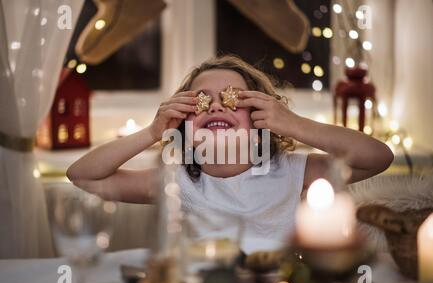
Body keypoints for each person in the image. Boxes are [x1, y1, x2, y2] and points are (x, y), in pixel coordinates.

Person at [67, 55, 393, 245]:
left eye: (234, 98)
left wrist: (293, 124)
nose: (217, 107)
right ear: (182, 123)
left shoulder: (293, 171)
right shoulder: (174, 182)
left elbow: (378, 157)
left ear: (260, 120)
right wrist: (152, 132)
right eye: (202, 100)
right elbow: (82, 177)